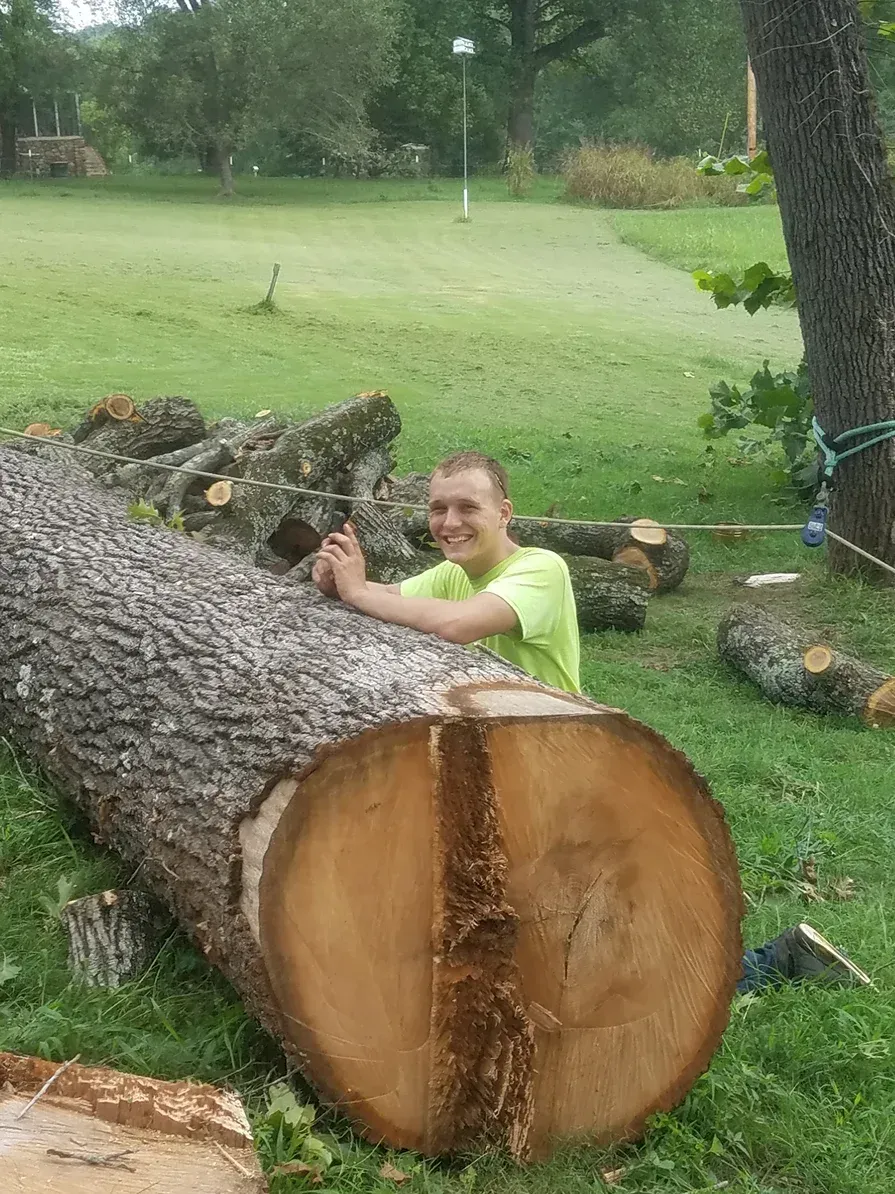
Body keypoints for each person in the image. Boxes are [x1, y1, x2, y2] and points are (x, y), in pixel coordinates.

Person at [314, 450, 871, 994]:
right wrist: (342, 583)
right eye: (438, 508)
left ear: (504, 513)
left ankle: (774, 962)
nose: (449, 523)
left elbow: (458, 625)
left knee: (602, 940)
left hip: (565, 771)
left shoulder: (539, 569)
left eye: (467, 508)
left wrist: (361, 591)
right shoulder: (455, 573)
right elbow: (395, 596)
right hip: (508, 770)